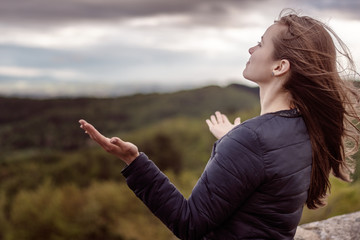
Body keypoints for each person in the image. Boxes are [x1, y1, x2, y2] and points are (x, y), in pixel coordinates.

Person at [79, 10, 360, 240]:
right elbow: (266, 179)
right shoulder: (305, 129)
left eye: (261, 43)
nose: (251, 48)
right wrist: (234, 139)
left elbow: (188, 224)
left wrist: (134, 160)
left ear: (279, 67)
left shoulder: (251, 140)